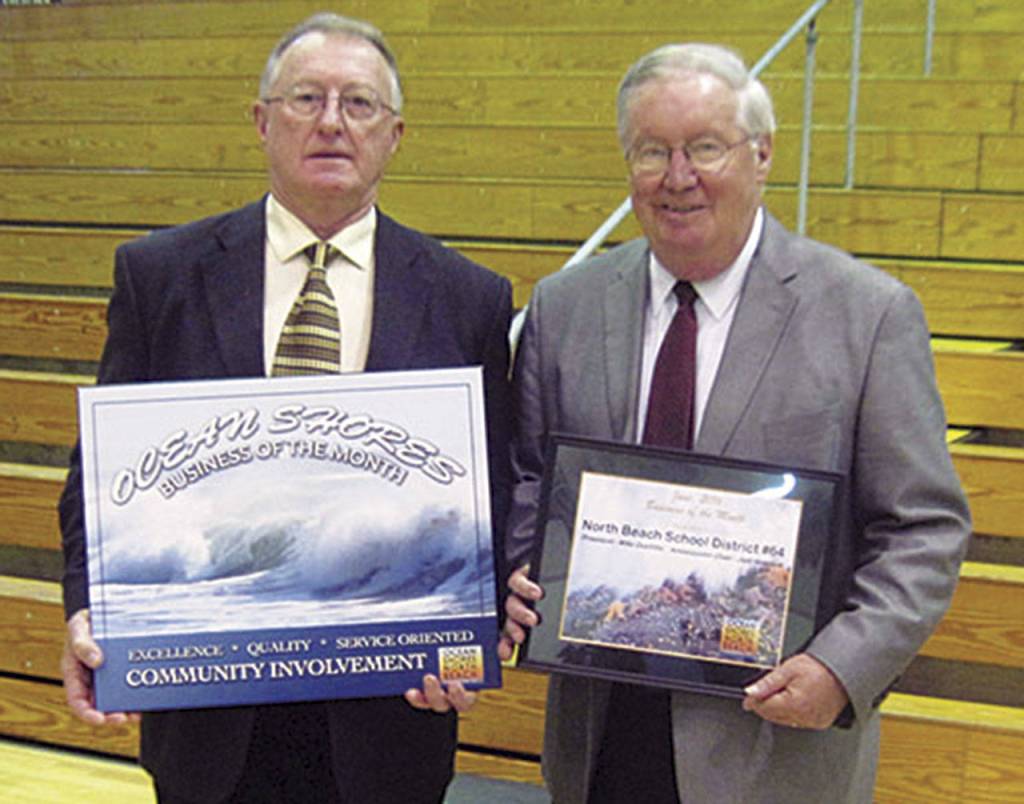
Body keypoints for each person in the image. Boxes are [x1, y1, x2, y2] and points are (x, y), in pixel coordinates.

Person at [58, 13, 512, 804]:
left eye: (359, 103)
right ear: (262, 121)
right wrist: (86, 609)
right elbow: (95, 481)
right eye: (306, 98)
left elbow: (492, 497)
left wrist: (472, 636)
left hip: (391, 721)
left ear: (395, 134)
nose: (332, 121)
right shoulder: (160, 278)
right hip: (207, 720)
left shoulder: (469, 298)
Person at [500, 43, 970, 803]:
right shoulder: (566, 305)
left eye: (706, 147)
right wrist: (525, 568)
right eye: (652, 150)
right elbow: (528, 476)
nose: (677, 176)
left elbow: (924, 530)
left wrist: (840, 669)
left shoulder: (868, 314)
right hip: (599, 732)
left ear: (762, 154)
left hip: (774, 747)